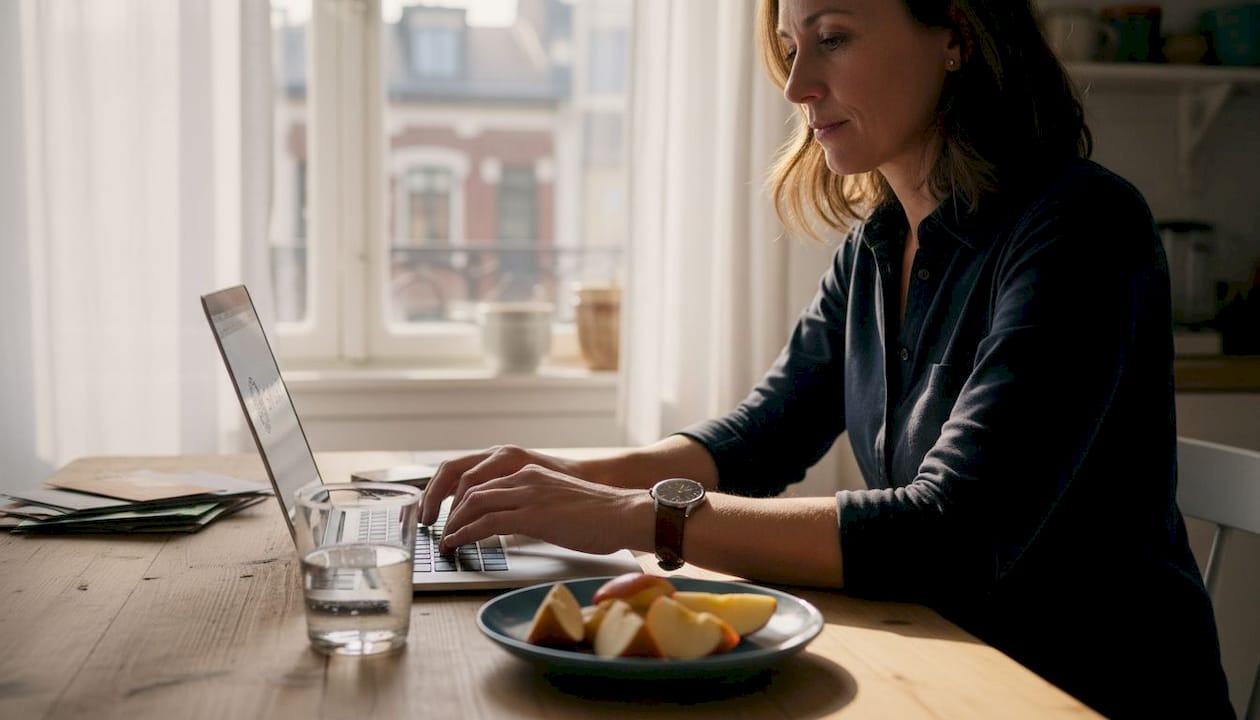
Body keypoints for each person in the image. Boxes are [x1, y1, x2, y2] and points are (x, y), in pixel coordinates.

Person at [421, 0, 1233, 716]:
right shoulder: (878, 243)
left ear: (955, 34)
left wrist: (635, 517)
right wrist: (560, 478)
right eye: (789, 46)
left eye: (833, 39)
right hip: (944, 676)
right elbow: (753, 442)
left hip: (1086, 696)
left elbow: (952, 534)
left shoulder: (1082, 228)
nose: (797, 85)